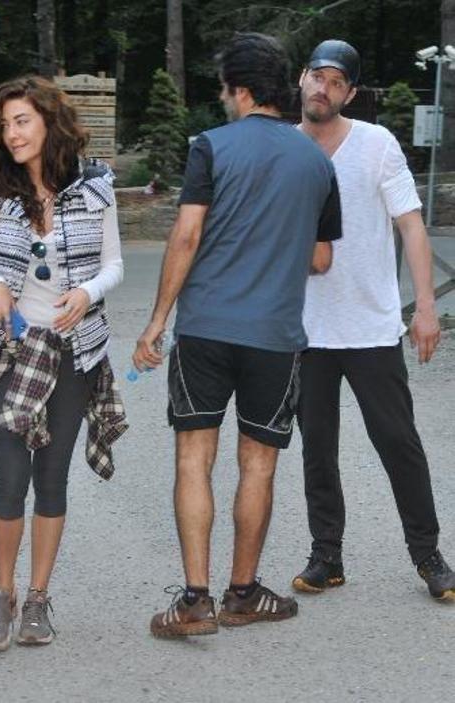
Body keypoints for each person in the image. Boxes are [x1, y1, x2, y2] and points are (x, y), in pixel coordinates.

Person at [133, 32, 342, 637]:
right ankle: (244, 594)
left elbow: (187, 235)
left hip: (205, 328)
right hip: (275, 335)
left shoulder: (210, 147)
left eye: (226, 89)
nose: (224, 99)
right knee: (259, 465)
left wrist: (156, 321)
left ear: (242, 91)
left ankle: (195, 602)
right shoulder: (317, 163)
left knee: (194, 458)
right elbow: (321, 258)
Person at [0, 76, 128, 650]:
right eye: (4, 125)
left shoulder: (96, 188)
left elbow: (115, 265)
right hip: (10, 352)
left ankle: (37, 598)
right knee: (11, 477)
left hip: (74, 352)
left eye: (22, 121)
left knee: (52, 480)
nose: (12, 133)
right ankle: (1, 593)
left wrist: (89, 292)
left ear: (50, 122)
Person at [293, 40, 455, 601]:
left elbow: (411, 225)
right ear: (302, 78)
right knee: (317, 449)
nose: (324, 88)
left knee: (398, 442)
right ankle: (327, 556)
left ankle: (429, 555)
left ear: (351, 93)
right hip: (306, 330)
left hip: (371, 327)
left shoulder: (376, 144)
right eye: (318, 76)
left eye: (337, 82)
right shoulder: (285, 148)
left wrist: (426, 307)